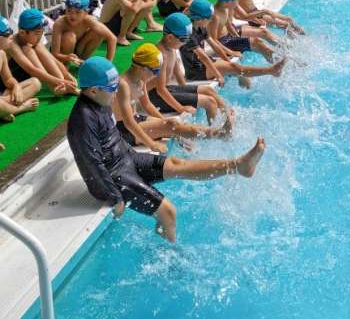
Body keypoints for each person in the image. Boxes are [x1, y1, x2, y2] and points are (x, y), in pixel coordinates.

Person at [67, 56, 266, 243]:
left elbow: (112, 136)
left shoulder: (100, 100)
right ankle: (169, 252)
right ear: (94, 90)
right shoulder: (83, 119)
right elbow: (91, 161)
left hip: (125, 158)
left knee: (177, 164)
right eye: (112, 88)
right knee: (168, 212)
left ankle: (237, 166)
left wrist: (134, 153)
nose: (116, 91)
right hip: (112, 175)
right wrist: (115, 197)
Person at [114, 44, 234, 149]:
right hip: (125, 130)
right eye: (155, 71)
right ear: (142, 68)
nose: (156, 76)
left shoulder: (140, 79)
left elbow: (147, 105)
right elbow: (129, 123)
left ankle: (204, 146)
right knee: (173, 127)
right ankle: (220, 134)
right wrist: (151, 144)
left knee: (175, 125)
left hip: (138, 119)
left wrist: (163, 120)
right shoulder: (124, 85)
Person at [147, 13, 233, 124]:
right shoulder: (161, 55)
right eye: (184, 39)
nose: (186, 42)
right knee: (209, 102)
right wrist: (180, 108)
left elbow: (178, 73)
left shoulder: (171, 48)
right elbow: (161, 90)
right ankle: (217, 132)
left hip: (166, 90)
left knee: (208, 90)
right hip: (155, 97)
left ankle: (227, 116)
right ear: (170, 37)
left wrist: (186, 92)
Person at [4, 8, 77, 95]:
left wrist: (67, 76)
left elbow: (52, 59)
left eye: (42, 31)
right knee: (27, 49)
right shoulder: (12, 45)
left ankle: (60, 85)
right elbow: (31, 69)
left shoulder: (32, 40)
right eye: (37, 33)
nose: (40, 36)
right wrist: (61, 82)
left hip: (26, 73)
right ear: (22, 32)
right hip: (11, 80)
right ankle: (55, 86)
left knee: (38, 47)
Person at [208, 0, 275, 61]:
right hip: (225, 44)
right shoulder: (215, 17)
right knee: (257, 42)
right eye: (236, 0)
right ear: (228, 1)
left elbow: (229, 26)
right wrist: (231, 52)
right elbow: (213, 40)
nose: (237, 2)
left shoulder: (225, 9)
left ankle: (277, 56)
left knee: (259, 39)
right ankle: (276, 62)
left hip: (230, 37)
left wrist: (239, 38)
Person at [52, 0, 117, 67]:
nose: (73, 16)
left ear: (86, 12)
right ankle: (66, 65)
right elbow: (54, 53)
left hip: (80, 49)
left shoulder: (89, 20)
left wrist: (108, 64)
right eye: (69, 11)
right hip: (64, 53)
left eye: (78, 12)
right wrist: (67, 58)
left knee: (98, 33)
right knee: (69, 36)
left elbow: (112, 38)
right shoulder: (59, 23)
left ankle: (83, 61)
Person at [0, 16, 41, 122]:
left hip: (3, 97)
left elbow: (8, 79)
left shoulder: (1, 54)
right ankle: (20, 109)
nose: (11, 36)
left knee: (35, 83)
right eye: (6, 34)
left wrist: (16, 86)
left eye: (11, 31)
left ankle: (5, 110)